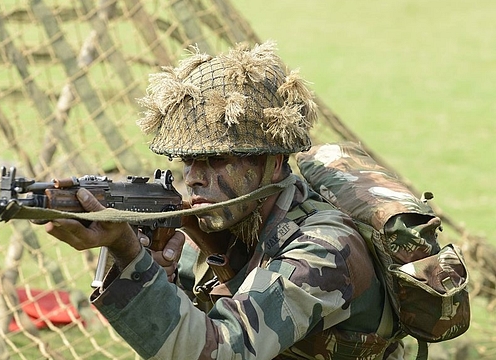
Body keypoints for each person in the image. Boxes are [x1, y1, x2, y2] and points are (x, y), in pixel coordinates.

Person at [43, 41, 404, 359]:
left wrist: (126, 249)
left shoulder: (324, 251)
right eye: (189, 161)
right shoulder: (217, 231)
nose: (195, 176)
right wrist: (150, 270)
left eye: (217, 160)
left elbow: (225, 351)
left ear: (273, 163)